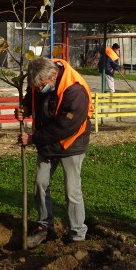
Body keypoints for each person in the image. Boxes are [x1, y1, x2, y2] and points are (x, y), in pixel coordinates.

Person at [16, 57, 93, 247]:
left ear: (53, 76)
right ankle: (45, 226)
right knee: (40, 184)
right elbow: (31, 95)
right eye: (36, 86)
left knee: (72, 190)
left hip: (71, 143)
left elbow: (65, 127)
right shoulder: (41, 78)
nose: (39, 88)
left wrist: (34, 139)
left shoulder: (75, 90)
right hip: (46, 142)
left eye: (41, 85)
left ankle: (77, 233)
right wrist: (25, 108)